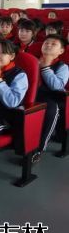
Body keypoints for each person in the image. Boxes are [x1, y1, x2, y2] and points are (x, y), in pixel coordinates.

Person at [34, 34, 69, 162]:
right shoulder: (33, 60)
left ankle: (39, 148)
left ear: (61, 51)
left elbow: (56, 86)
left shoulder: (62, 67)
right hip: (33, 94)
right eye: (46, 43)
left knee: (51, 110)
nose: (48, 45)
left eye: (53, 44)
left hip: (53, 97)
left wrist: (45, 67)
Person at [0, 40, 28, 133]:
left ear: (12, 56)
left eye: (2, 53)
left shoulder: (19, 75)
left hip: (5, 117)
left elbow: (12, 102)